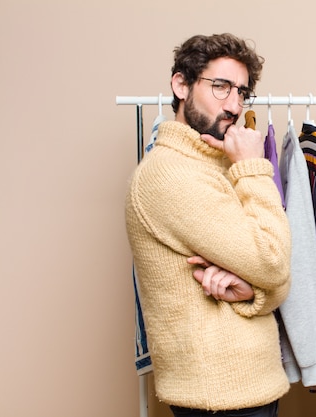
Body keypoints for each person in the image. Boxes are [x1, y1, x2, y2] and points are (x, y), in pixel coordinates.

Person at [125, 33, 292, 417]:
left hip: (247, 390)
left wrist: (255, 293)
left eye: (242, 92)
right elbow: (274, 263)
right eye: (220, 87)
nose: (234, 105)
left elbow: (278, 275)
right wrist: (252, 167)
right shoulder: (170, 174)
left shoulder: (214, 165)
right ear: (181, 84)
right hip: (219, 398)